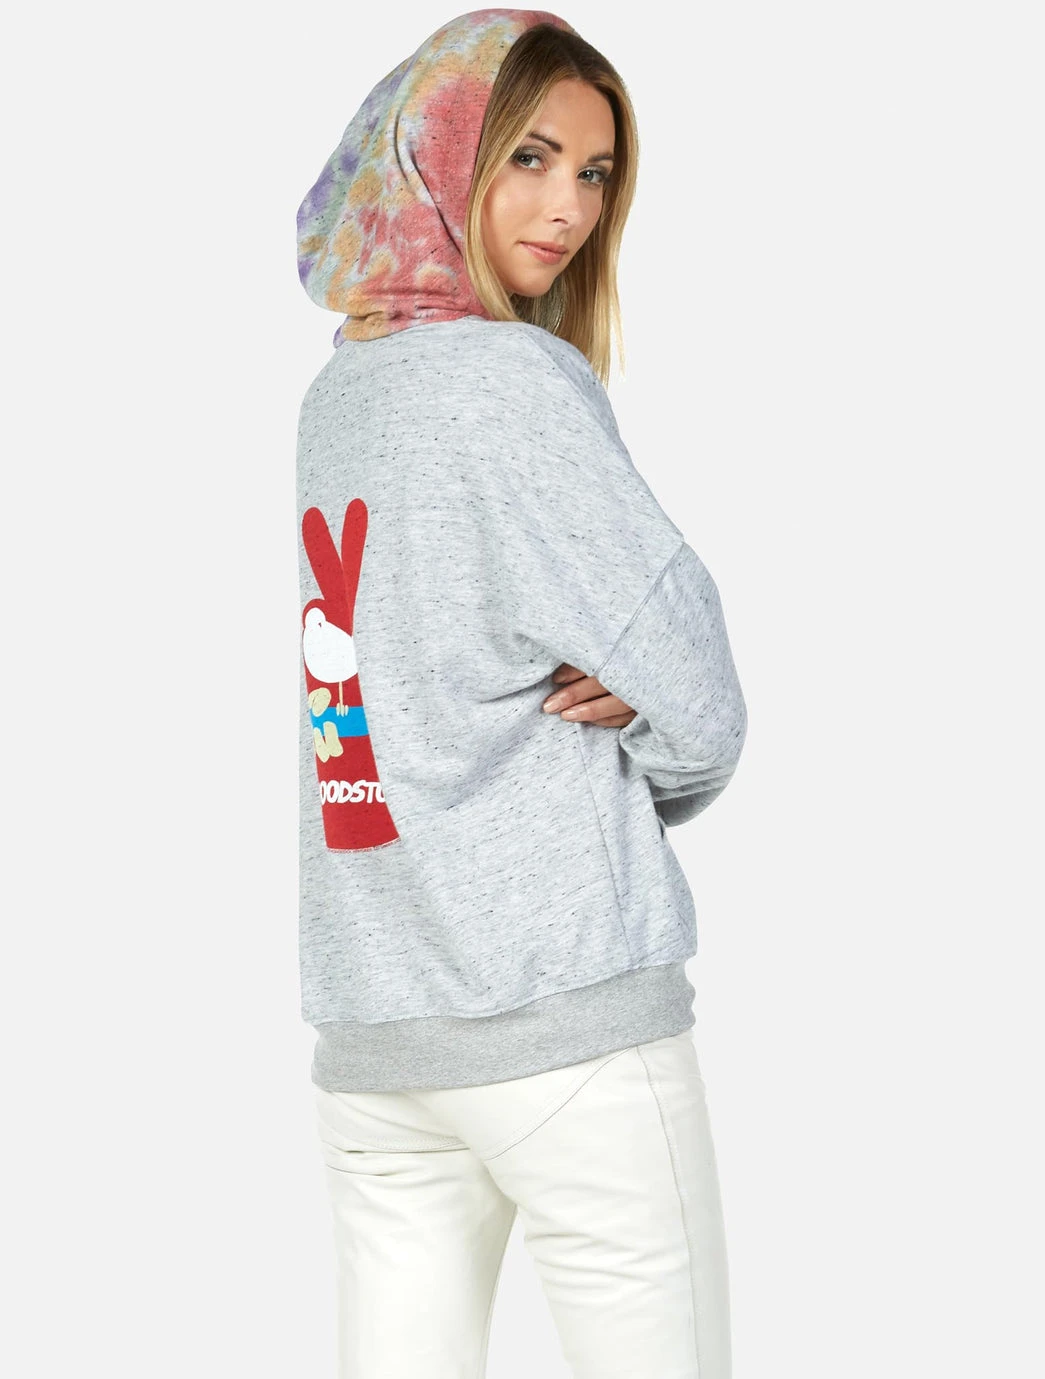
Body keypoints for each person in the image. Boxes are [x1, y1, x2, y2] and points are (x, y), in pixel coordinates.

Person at [294, 10, 749, 1377]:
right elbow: (704, 697)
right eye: (532, 158)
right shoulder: (515, 383)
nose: (568, 209)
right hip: (564, 1021)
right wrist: (650, 729)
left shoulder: (340, 395)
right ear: (440, 155)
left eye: (596, 174)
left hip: (380, 1029)